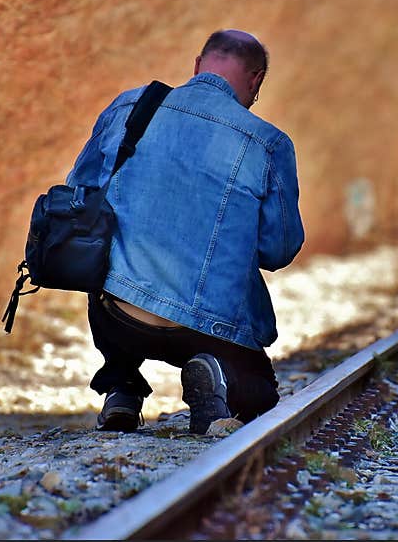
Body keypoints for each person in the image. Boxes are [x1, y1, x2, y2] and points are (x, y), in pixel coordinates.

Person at [64, 29, 304, 434]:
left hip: (118, 314)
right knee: (262, 392)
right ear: (256, 80)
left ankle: (121, 387)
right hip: (208, 328)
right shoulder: (268, 143)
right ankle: (215, 375)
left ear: (197, 66)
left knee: (108, 258)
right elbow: (278, 250)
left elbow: (79, 194)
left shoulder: (129, 108)